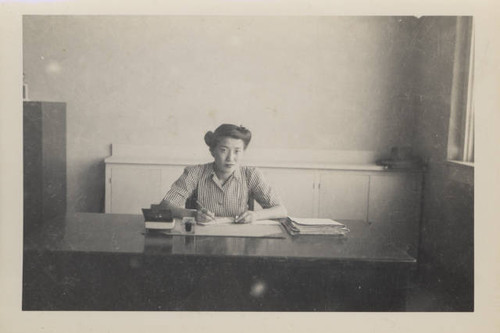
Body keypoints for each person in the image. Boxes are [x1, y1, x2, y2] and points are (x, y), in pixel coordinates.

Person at [160, 124, 287, 223]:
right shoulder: (195, 173)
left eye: (237, 151)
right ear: (212, 151)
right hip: (202, 241)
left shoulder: (251, 174)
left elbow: (281, 210)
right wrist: (193, 214)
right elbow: (165, 206)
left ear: (243, 152)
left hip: (239, 242)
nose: (230, 158)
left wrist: (255, 215)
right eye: (223, 150)